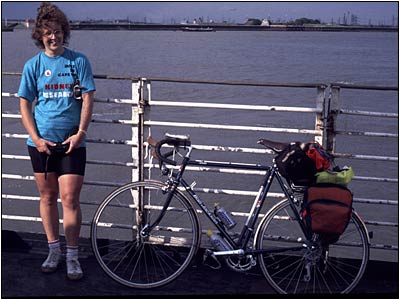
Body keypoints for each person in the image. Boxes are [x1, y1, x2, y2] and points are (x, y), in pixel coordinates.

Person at [18, 2, 95, 281]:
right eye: (48, 32)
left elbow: (88, 97)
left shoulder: (78, 61)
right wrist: (36, 138)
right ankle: (54, 251)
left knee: (70, 199)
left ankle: (73, 256)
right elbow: (25, 104)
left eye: (58, 31)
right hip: (41, 143)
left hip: (72, 142)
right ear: (40, 35)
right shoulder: (33, 66)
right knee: (48, 197)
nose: (54, 36)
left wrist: (81, 133)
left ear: (65, 32)